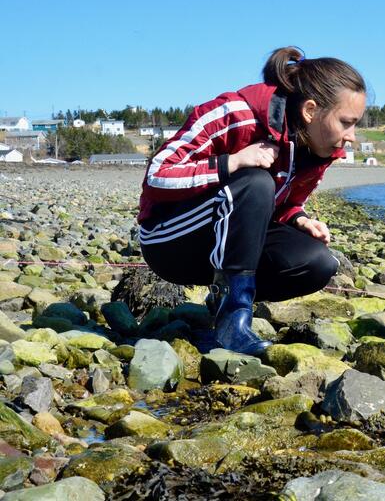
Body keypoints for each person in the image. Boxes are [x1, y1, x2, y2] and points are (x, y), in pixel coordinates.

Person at [137, 47, 366, 356]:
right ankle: (234, 320)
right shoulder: (235, 114)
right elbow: (156, 175)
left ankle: (224, 302)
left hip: (229, 242)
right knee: (256, 181)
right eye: (346, 122)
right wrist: (231, 162)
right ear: (310, 111)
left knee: (318, 264)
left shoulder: (317, 147)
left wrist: (300, 219)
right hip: (169, 240)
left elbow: (284, 204)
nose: (351, 136)